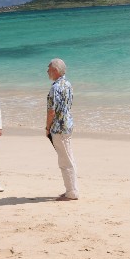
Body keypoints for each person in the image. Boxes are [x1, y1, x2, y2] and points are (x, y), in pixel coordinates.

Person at [45, 58, 79, 201]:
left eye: (49, 69)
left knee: (65, 161)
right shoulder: (68, 84)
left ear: (56, 71)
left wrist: (47, 127)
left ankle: (72, 191)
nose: (47, 71)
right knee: (67, 158)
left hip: (59, 128)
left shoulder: (55, 87)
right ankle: (71, 189)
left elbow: (51, 111)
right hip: (68, 124)